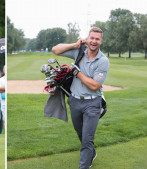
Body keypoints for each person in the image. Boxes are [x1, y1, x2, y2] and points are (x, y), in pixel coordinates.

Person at [52, 27, 109, 169]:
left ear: (101, 41)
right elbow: (55, 50)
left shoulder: (103, 61)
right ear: (87, 38)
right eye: (92, 38)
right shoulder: (79, 51)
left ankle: (84, 165)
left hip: (93, 103)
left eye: (97, 39)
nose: (94, 41)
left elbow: (95, 85)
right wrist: (74, 45)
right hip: (75, 101)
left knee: (87, 139)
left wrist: (77, 73)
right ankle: (92, 153)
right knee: (81, 134)